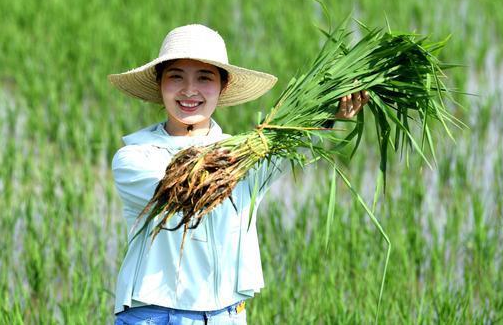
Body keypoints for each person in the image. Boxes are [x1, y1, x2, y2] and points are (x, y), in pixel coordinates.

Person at [108, 24, 369, 324]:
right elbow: (183, 188)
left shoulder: (250, 154)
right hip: (155, 316)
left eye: (204, 78)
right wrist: (253, 148)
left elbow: (296, 142)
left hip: (227, 316)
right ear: (159, 84)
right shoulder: (136, 157)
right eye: (176, 77)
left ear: (224, 86)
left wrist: (330, 112)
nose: (189, 90)